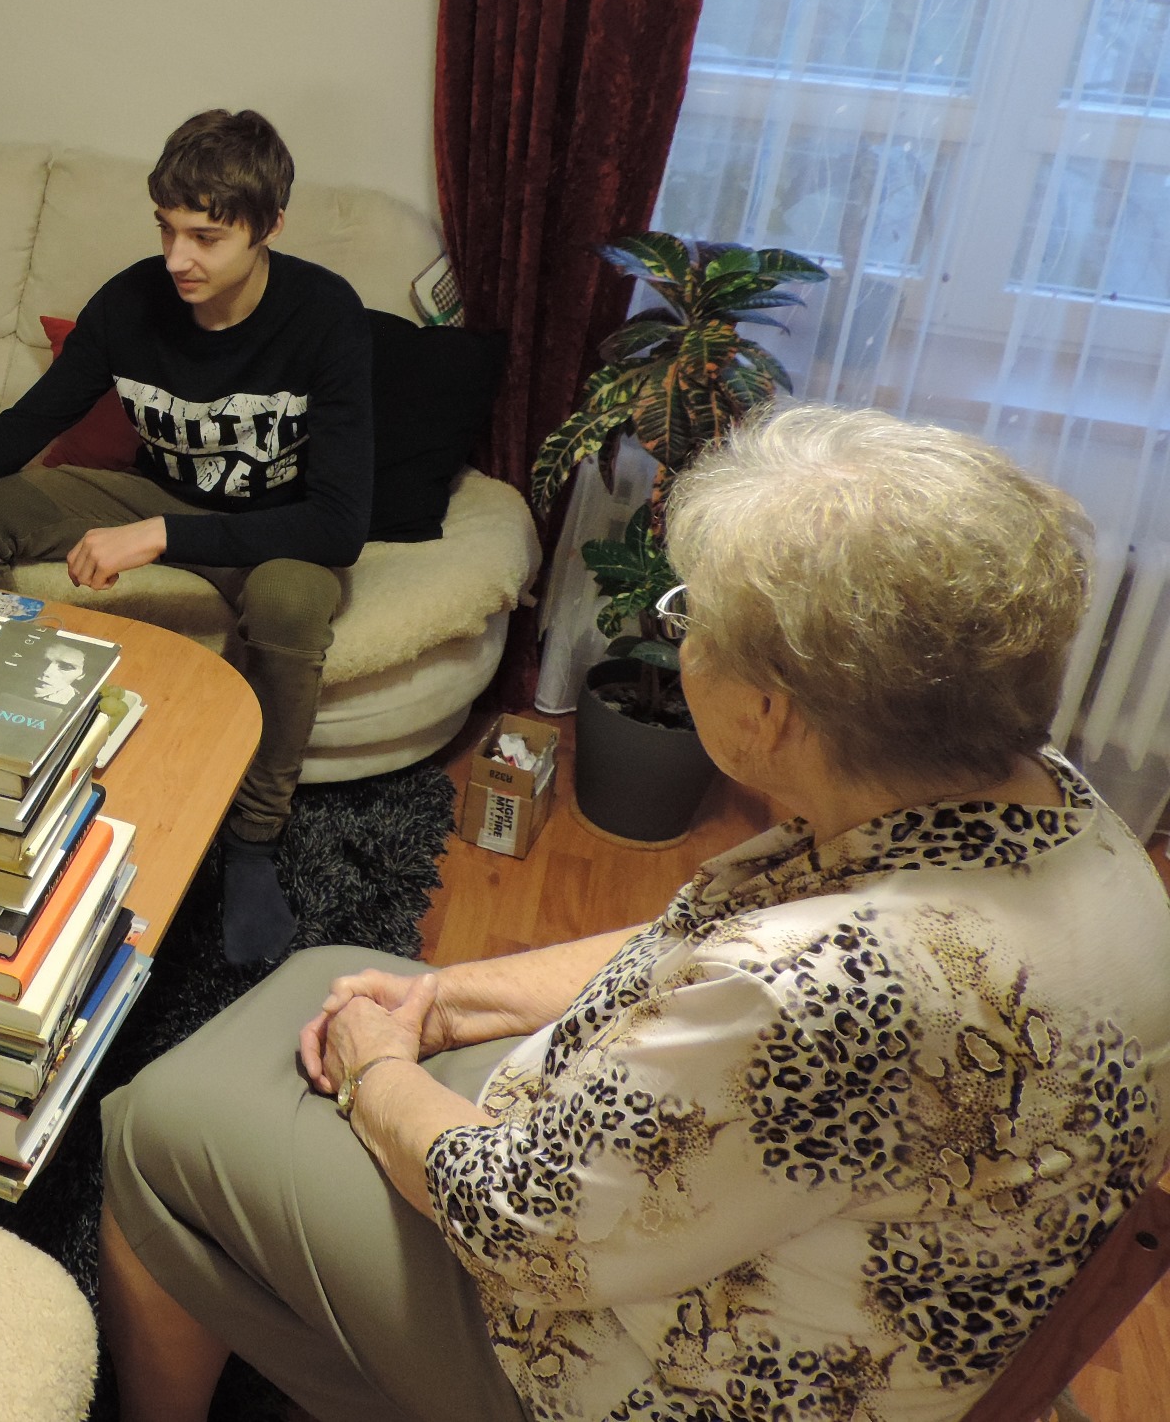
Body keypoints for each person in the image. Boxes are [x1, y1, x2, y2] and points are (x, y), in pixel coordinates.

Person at [97, 405, 1170, 1422]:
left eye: (691, 617)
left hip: (652, 1366)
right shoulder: (1054, 807)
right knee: (322, 985)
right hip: (763, 1234)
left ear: (769, 713)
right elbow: (706, 944)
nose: (679, 639)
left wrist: (379, 1068)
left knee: (150, 1125)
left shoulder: (824, 990)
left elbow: (518, 1226)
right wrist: (454, 997)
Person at [0, 109, 371, 964]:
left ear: (269, 228)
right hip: (154, 489)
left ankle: (253, 841)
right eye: (167, 229)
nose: (178, 258)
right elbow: (20, 429)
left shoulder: (325, 315)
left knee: (292, 601)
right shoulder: (133, 300)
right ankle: (11, 731)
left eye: (206, 237)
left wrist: (156, 537)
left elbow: (340, 522)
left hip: (276, 528)